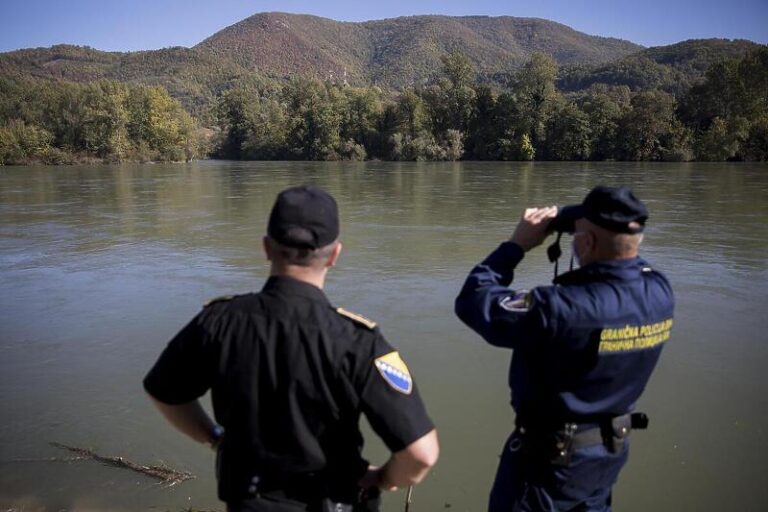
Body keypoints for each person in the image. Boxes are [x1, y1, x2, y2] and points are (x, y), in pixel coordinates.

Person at [144, 185, 438, 512]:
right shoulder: (359, 342)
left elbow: (163, 391)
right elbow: (421, 454)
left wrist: (215, 437)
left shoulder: (219, 322)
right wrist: (383, 479)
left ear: (267, 247)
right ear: (335, 254)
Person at [454, 185, 674, 512]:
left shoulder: (559, 308)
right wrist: (564, 219)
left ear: (586, 243)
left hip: (545, 470)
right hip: (605, 459)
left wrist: (516, 245)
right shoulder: (659, 292)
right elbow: (614, 247)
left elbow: (473, 301)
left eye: (577, 236)